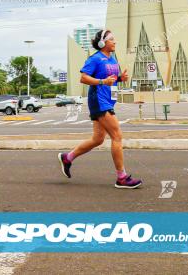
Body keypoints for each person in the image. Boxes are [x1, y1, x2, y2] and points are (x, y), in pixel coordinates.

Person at [58, 29, 142, 188]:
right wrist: (102, 82)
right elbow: (83, 78)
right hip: (99, 101)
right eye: (112, 39)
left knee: (98, 139)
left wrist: (119, 79)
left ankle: (67, 158)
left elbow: (110, 79)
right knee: (117, 135)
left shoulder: (112, 60)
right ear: (103, 43)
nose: (115, 42)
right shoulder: (95, 58)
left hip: (108, 102)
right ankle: (121, 178)